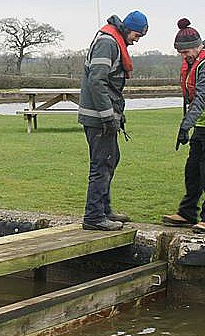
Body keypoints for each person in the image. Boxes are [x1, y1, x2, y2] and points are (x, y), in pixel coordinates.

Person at [79, 11, 148, 231]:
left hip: (101, 115)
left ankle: (104, 209)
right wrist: (108, 115)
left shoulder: (112, 41)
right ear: (128, 28)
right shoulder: (108, 43)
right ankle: (94, 217)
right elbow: (97, 81)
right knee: (102, 165)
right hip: (98, 118)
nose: (137, 40)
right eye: (137, 34)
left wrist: (117, 114)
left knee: (111, 160)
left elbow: (107, 84)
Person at [162, 19, 205, 233]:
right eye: (181, 52)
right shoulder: (191, 63)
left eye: (186, 51)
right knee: (193, 171)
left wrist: (184, 125)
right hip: (201, 125)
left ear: (199, 46)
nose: (184, 56)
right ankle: (187, 212)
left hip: (199, 123)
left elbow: (201, 98)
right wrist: (188, 124)